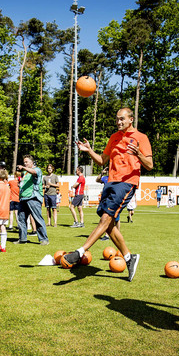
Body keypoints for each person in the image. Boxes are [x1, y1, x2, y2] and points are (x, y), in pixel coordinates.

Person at [62, 108, 153, 282]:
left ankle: (80, 252)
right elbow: (102, 161)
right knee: (108, 224)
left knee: (106, 219)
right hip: (110, 183)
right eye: (117, 120)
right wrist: (89, 151)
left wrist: (138, 154)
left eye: (122, 119)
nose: (119, 122)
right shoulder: (114, 137)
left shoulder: (141, 138)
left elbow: (149, 165)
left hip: (127, 183)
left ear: (131, 119)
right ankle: (129, 258)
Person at [16, 155, 49, 245]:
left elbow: (34, 172)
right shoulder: (25, 173)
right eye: (24, 162)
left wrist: (23, 168)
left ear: (32, 162)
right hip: (23, 198)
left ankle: (43, 239)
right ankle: (22, 239)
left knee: (37, 218)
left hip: (33, 198)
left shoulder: (37, 169)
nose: (25, 164)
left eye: (26, 162)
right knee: (21, 219)